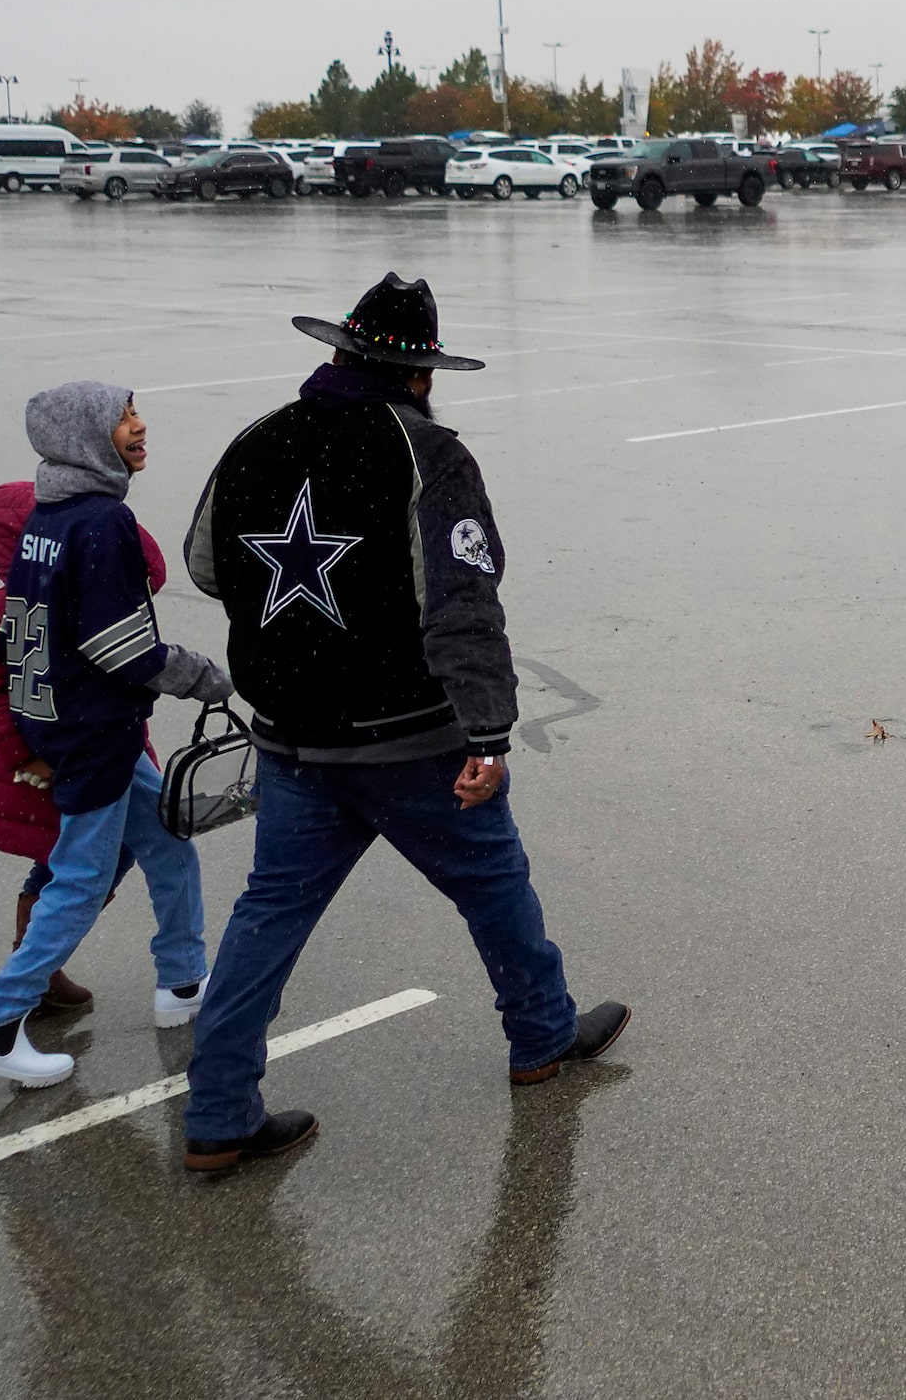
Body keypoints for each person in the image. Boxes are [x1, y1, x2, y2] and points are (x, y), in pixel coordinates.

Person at [179, 273, 627, 1174]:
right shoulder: (431, 453)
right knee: (493, 882)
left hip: (293, 733)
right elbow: (463, 603)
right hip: (409, 737)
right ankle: (541, 1037)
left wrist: (300, 620)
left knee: (266, 917)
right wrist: (489, 732)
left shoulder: (254, 440)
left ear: (337, 356)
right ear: (417, 374)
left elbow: (206, 568)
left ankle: (218, 1113)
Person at [0, 384, 228, 1091]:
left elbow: (29, 633)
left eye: (134, 412)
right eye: (121, 418)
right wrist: (203, 676)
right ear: (85, 438)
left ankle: (184, 983)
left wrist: (40, 734)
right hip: (97, 732)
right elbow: (120, 645)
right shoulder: (100, 520)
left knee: (168, 844)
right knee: (78, 881)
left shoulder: (49, 517)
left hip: (79, 728)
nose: (139, 426)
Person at [0, 479, 169, 1013]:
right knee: (72, 860)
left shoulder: (89, 592)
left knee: (107, 852)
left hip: (111, 748)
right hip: (52, 760)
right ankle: (31, 968)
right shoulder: (15, 604)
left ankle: (39, 961)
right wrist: (23, 755)